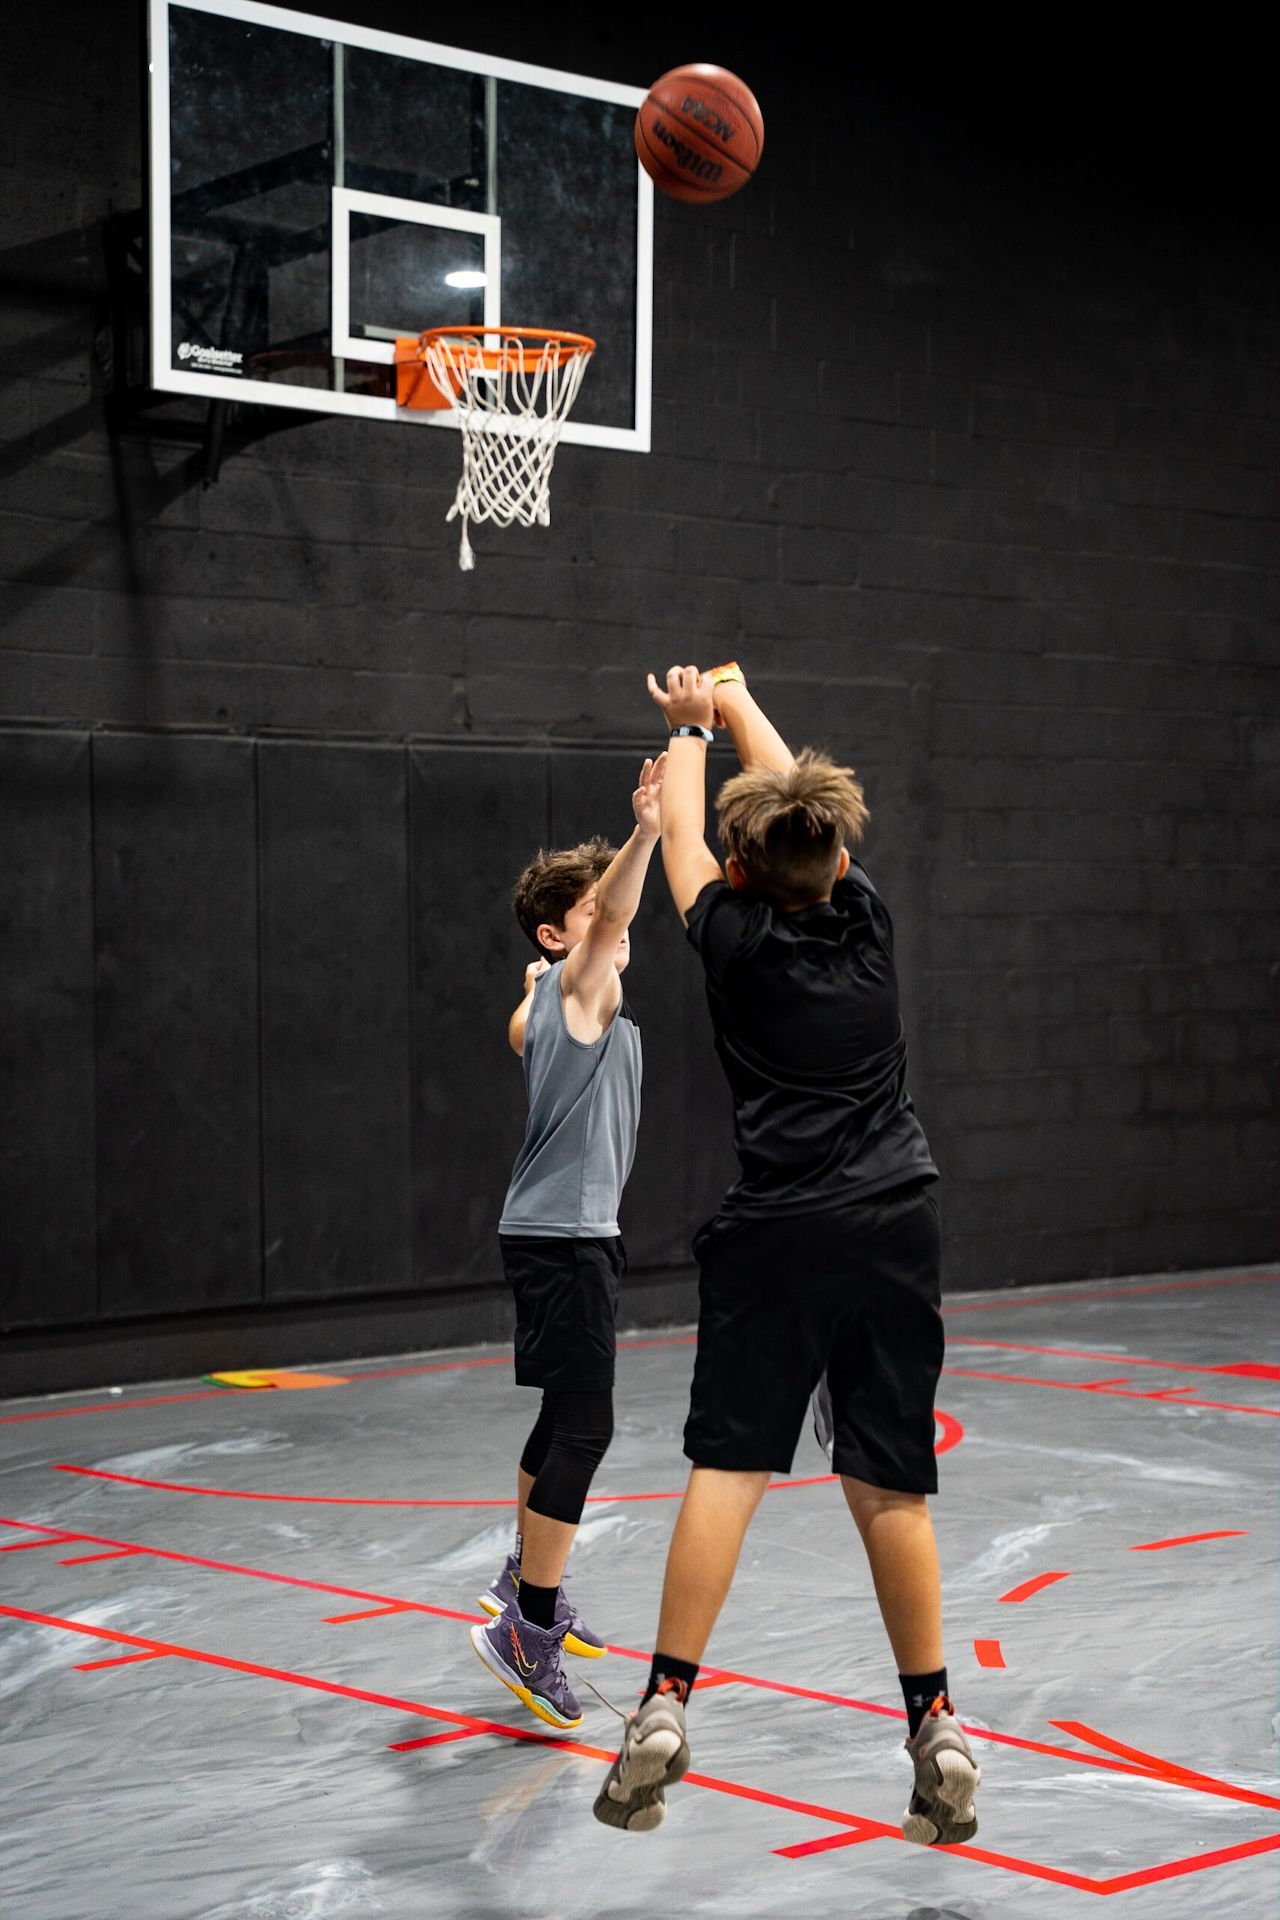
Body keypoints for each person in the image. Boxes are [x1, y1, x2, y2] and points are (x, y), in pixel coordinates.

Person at [594, 666, 979, 1845]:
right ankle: (938, 1728)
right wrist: (732, 701)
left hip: (779, 1237)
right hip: (894, 1220)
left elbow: (692, 847)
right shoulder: (865, 920)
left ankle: (662, 1706)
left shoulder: (733, 939)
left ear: (749, 869)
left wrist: (685, 724)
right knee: (889, 1488)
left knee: (729, 1469)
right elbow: (793, 799)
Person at [470, 754, 666, 1732]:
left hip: (560, 1235)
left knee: (562, 1416)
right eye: (595, 914)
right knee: (584, 1427)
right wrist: (645, 833)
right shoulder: (578, 991)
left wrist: (539, 983)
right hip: (562, 1237)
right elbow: (615, 922)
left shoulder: (563, 999)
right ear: (558, 932)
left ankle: (521, 1581)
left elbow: (517, 1027)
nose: (615, 923)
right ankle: (528, 1628)